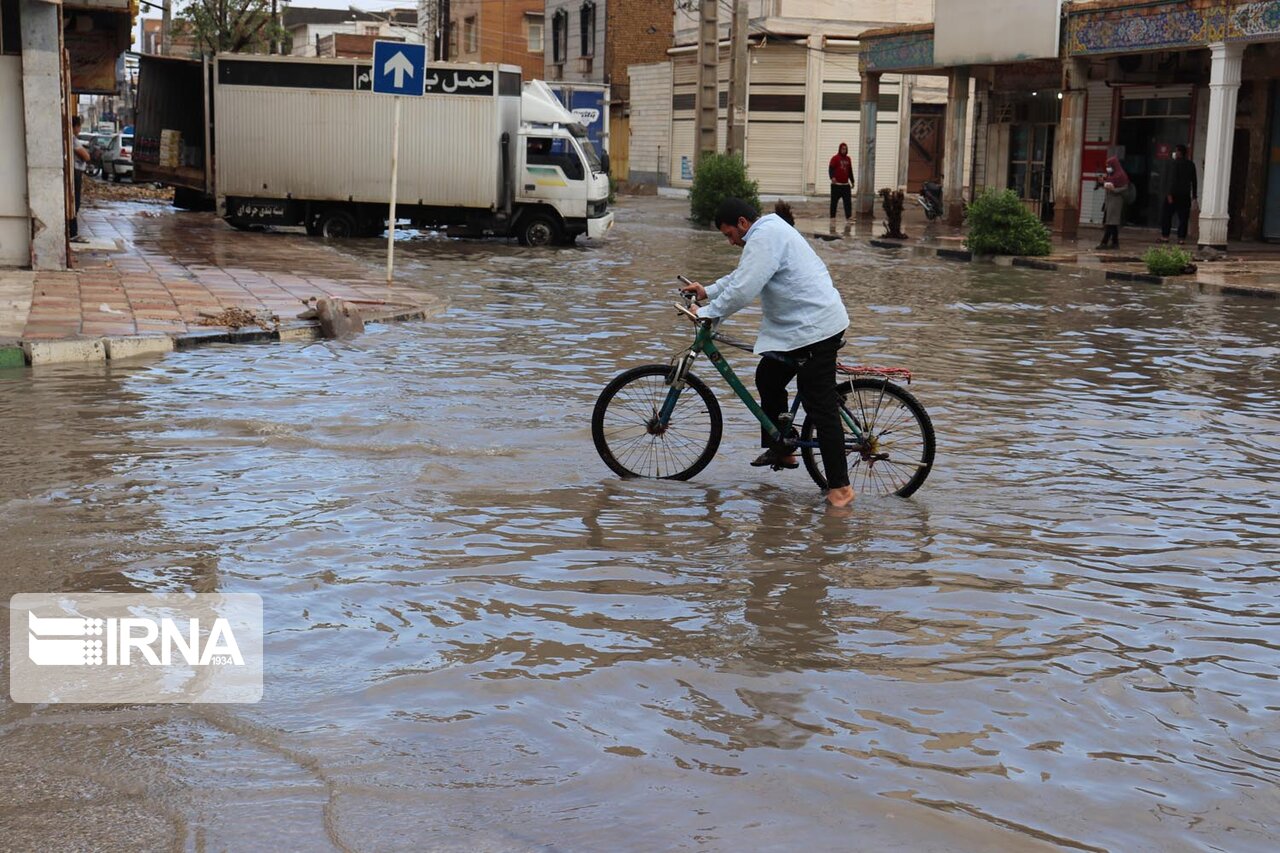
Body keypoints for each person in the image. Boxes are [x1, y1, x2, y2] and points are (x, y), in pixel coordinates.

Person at [681, 197, 854, 508]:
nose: (731, 241)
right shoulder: (766, 233)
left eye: (729, 235)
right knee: (769, 377)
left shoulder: (766, 236)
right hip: (802, 328)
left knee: (818, 402)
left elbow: (746, 288)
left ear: (743, 225)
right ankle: (782, 448)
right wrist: (708, 291)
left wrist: (708, 312)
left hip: (816, 329)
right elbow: (742, 276)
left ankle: (840, 489)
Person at [1159, 144, 1197, 245]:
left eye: (1176, 151)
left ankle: (1165, 236)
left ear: (1179, 152)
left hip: (1173, 194)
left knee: (1167, 216)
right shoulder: (1191, 164)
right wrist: (1194, 196)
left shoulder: (1173, 164)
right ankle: (1181, 238)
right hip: (1185, 195)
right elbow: (1194, 181)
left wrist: (1168, 194)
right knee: (1183, 218)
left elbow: (1172, 179)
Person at [1095, 156, 1130, 250]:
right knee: (1112, 222)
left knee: (1110, 222)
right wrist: (1103, 182)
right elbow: (1108, 183)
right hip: (1109, 200)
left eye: (1109, 165)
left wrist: (1114, 189)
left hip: (1116, 201)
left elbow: (1125, 188)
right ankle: (1115, 243)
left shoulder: (1121, 175)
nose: (1108, 167)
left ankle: (1104, 242)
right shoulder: (1111, 175)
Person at [69, 115, 90, 243]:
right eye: (79, 126)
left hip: (74, 171)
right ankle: (73, 232)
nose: (80, 129)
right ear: (76, 126)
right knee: (74, 203)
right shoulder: (72, 139)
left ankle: (72, 231)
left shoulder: (69, 138)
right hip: (75, 172)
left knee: (73, 202)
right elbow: (86, 156)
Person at [828, 142, 854, 220]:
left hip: (845, 185)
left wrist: (852, 181)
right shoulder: (835, 158)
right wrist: (832, 177)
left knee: (848, 202)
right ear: (840, 149)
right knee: (834, 202)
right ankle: (832, 217)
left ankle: (848, 216)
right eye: (842, 149)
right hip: (836, 185)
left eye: (845, 149)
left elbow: (850, 171)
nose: (844, 150)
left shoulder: (848, 159)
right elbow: (831, 169)